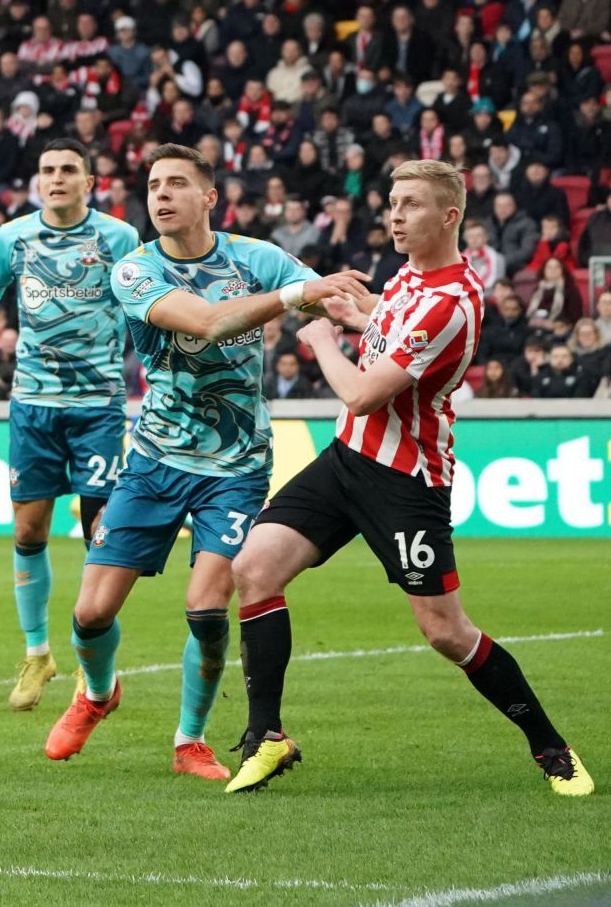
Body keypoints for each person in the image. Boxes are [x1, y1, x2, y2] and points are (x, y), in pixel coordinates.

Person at [226, 159, 593, 798]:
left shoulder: (452, 301)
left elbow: (364, 394)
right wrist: (353, 309)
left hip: (405, 480)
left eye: (412, 204)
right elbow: (386, 323)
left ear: (450, 216)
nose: (395, 215)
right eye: (393, 201)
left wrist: (319, 340)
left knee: (444, 630)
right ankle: (267, 737)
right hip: (346, 461)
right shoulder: (409, 279)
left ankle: (552, 748)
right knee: (254, 568)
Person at [43, 142, 368, 781]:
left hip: (237, 465)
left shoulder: (258, 259)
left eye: (175, 185)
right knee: (90, 613)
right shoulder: (134, 272)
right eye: (153, 185)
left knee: (206, 609)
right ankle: (98, 692)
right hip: (154, 459)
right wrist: (296, 293)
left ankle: (189, 740)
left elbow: (334, 304)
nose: (160, 196)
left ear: (209, 197)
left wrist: (383, 317)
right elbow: (211, 322)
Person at [0, 140, 141, 712]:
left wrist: (154, 381)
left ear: (89, 181)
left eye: (68, 170)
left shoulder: (119, 239)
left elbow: (145, 311)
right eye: (48, 170)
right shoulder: (13, 236)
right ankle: (37, 654)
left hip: (98, 406)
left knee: (101, 537)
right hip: (32, 405)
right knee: (29, 532)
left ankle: (92, 662)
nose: (56, 178)